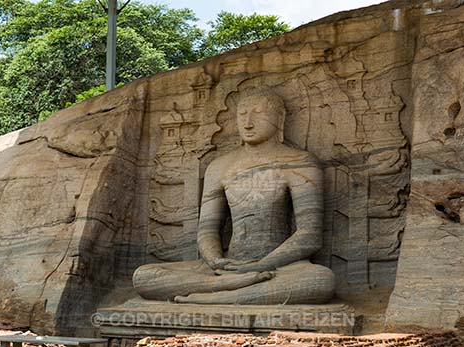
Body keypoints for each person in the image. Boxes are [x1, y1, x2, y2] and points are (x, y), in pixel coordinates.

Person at [132, 88, 335, 304]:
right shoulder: (219, 167)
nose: (248, 122)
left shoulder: (300, 162)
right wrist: (215, 261)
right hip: (227, 267)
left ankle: (215, 298)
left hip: (279, 267)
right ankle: (226, 287)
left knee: (321, 280)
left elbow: (309, 235)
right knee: (144, 275)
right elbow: (207, 231)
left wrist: (262, 265)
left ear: (280, 118)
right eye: (242, 114)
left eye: (258, 113)